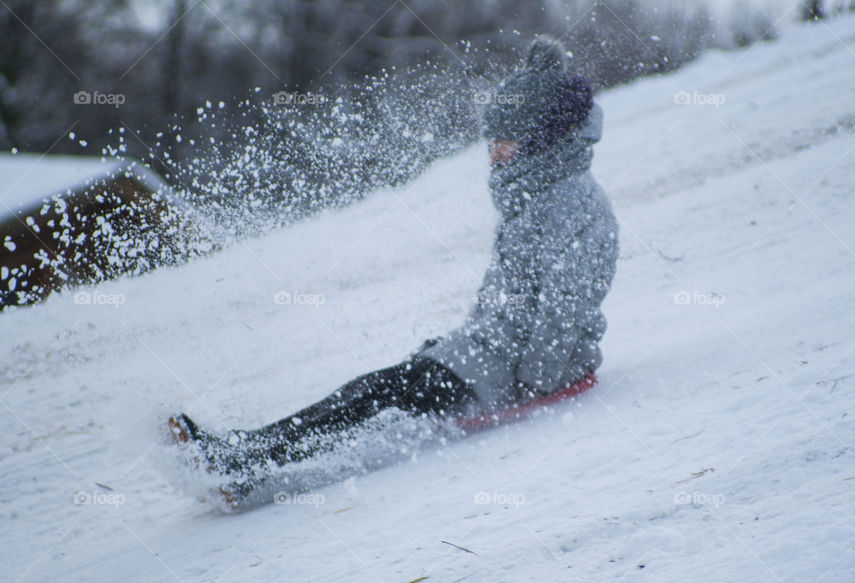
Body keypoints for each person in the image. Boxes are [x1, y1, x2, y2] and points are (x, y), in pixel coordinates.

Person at [170, 36, 619, 502]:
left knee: (378, 391)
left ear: (539, 140)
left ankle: (241, 460)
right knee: (380, 389)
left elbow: (562, 315)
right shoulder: (533, 197)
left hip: (525, 372)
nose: (494, 151)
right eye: (492, 139)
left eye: (504, 140)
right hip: (488, 355)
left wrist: (528, 387)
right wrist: (455, 348)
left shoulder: (577, 210)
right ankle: (250, 462)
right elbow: (502, 300)